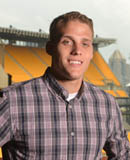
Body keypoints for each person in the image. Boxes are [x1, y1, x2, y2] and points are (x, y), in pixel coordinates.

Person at [0, 11, 130, 160]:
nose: (77, 51)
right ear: (50, 48)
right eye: (67, 42)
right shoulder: (12, 100)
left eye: (85, 44)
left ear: (91, 53)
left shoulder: (107, 104)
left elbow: (123, 156)